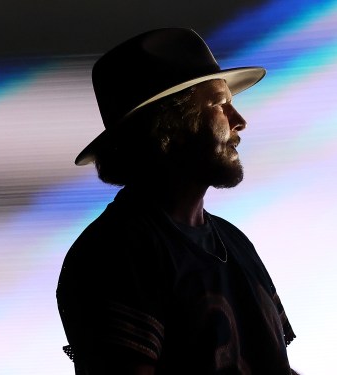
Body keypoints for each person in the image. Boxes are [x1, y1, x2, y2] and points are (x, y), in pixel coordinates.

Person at [56, 28, 297, 374]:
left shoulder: (236, 243)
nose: (239, 122)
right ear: (168, 125)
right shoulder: (113, 252)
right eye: (219, 104)